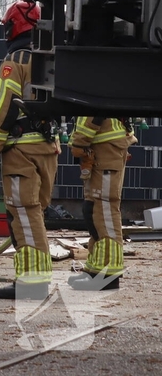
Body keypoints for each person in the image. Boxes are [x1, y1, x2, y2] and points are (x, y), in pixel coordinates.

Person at [0, 0, 59, 300]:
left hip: (21, 150)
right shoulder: (52, 56)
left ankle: (33, 282)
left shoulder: (14, 61)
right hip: (48, 147)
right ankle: (33, 277)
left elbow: (3, 107)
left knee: (24, 215)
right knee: (33, 213)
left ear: (15, 27)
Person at [67, 116, 135, 290]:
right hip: (101, 146)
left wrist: (79, 141)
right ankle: (95, 269)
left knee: (105, 211)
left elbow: (92, 110)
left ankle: (108, 275)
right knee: (93, 211)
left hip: (106, 147)